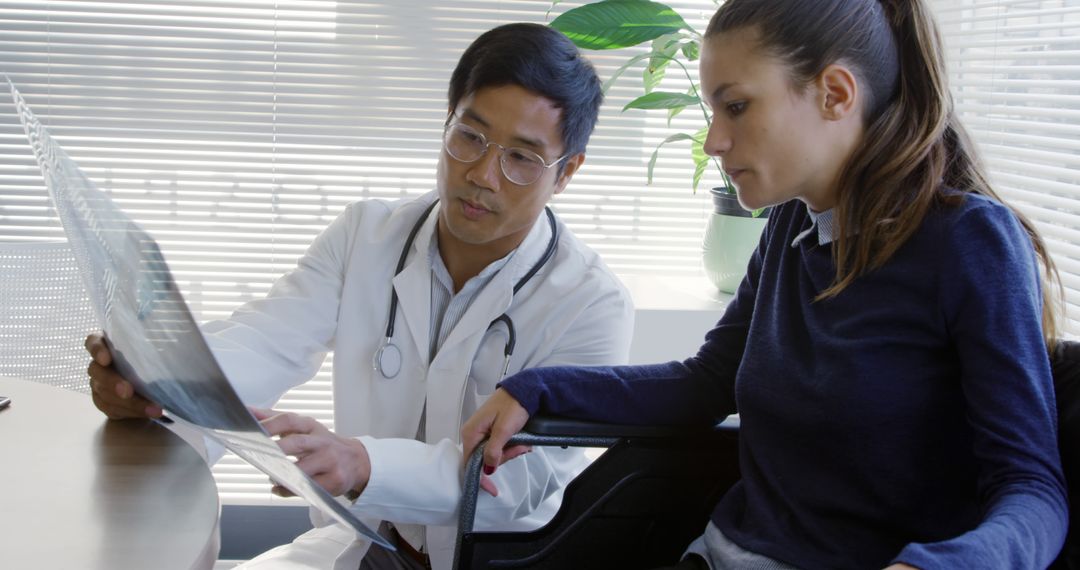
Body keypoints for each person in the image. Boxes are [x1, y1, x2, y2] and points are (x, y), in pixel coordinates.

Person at [463, 1, 1069, 569]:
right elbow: (706, 384)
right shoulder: (791, 224)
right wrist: (535, 390)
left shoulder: (969, 242)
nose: (713, 141)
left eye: (737, 107)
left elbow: (1033, 490)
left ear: (835, 94)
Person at [85, 22, 634, 570]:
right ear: (446, 122)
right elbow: (265, 341)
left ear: (566, 173)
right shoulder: (366, 235)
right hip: (361, 544)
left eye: (522, 158)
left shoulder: (590, 303)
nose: (484, 175)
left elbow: (522, 484)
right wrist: (160, 384)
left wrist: (363, 464)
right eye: (470, 136)